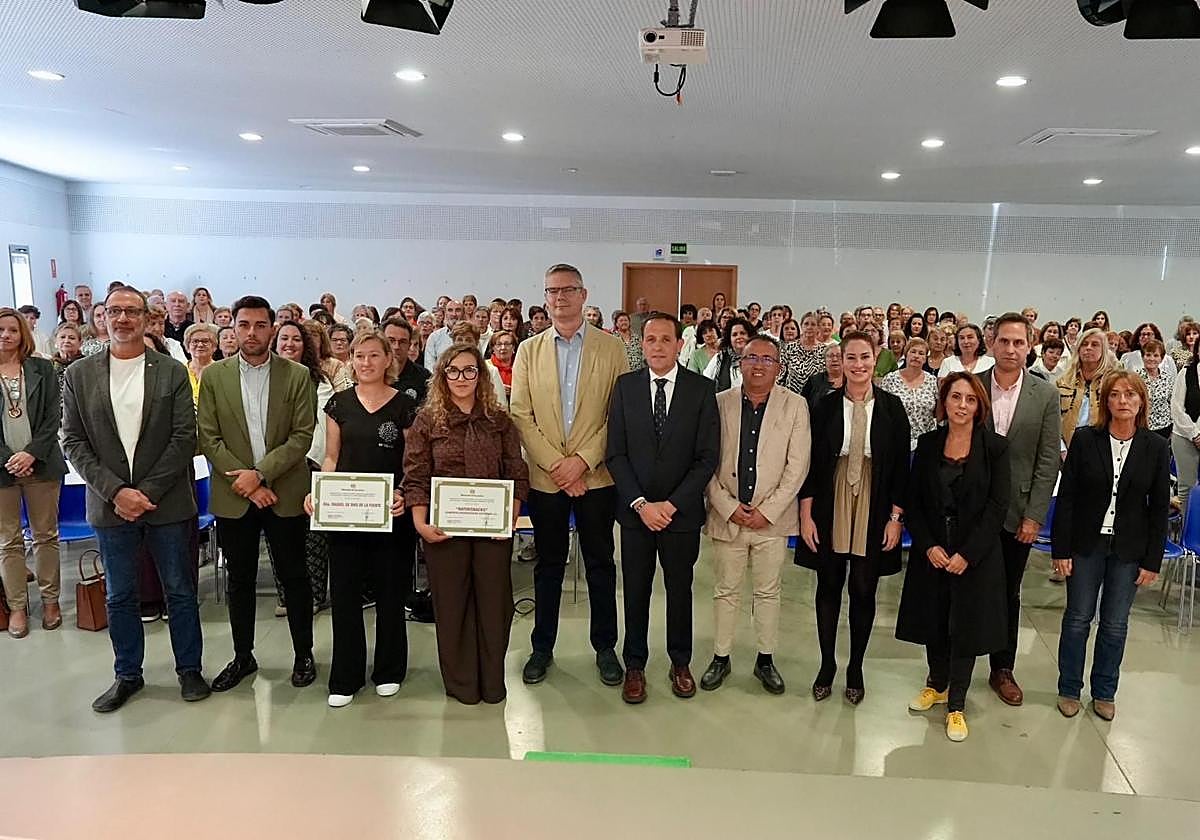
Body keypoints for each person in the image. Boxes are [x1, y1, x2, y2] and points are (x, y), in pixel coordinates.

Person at [61, 287, 209, 711]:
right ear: (102, 318)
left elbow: (185, 437)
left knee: (179, 590)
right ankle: (127, 674)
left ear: (146, 318)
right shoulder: (80, 375)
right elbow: (73, 441)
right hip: (110, 507)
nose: (123, 319)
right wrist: (116, 492)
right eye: (115, 312)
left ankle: (189, 669)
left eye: (131, 311)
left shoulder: (172, 372)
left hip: (166, 502)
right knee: (119, 596)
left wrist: (144, 492)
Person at [510, 264, 629, 687]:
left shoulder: (611, 348)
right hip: (546, 479)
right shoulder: (529, 350)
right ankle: (542, 647)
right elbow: (521, 415)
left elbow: (618, 415)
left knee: (600, 564)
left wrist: (581, 462)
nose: (558, 297)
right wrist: (558, 467)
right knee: (549, 566)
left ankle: (605, 648)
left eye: (567, 290)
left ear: (584, 294)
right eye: (551, 291)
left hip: (596, 478)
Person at [197, 295, 318, 693]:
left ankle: (303, 654)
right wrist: (246, 484)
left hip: (283, 493)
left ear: (272, 327)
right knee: (240, 580)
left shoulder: (298, 375)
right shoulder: (214, 376)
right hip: (235, 497)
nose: (252, 333)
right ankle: (243, 656)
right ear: (231, 327)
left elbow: (302, 436)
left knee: (294, 577)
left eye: (260, 325)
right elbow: (208, 437)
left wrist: (260, 476)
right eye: (244, 325)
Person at [404, 343, 528, 704]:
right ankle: (461, 684)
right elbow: (415, 475)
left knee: (494, 605)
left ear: (481, 375)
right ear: (442, 376)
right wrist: (420, 524)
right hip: (444, 531)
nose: (462, 378)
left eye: (469, 370)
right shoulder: (427, 421)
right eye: (453, 371)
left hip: (493, 529)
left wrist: (511, 514)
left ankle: (492, 681)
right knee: (453, 605)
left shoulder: (499, 420)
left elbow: (516, 470)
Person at [605, 314, 720, 703]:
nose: (657, 346)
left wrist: (670, 505)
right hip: (636, 515)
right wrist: (640, 504)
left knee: (679, 590)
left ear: (678, 345)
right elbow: (615, 454)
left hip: (680, 514)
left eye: (664, 339)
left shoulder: (701, 390)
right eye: (650, 339)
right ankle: (634, 665)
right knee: (635, 591)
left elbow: (706, 458)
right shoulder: (624, 388)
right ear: (642, 344)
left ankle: (680, 661)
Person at [303, 333, 419, 707]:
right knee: (347, 594)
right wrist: (319, 493)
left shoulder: (405, 406)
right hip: (346, 514)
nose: (365, 362)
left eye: (373, 355)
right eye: (358, 355)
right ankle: (346, 675)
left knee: (390, 592)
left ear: (389, 359)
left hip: (390, 514)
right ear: (350, 360)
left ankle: (389, 669)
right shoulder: (338, 405)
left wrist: (402, 492)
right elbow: (332, 458)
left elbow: (412, 462)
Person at [796, 331, 909, 705]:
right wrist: (806, 512)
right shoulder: (824, 407)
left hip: (875, 501)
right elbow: (810, 464)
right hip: (832, 498)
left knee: (863, 587)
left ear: (875, 360)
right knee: (828, 585)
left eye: (865, 357)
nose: (858, 365)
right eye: (851, 358)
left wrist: (896, 516)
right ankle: (827, 664)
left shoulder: (893, 409)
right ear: (840, 362)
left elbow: (900, 471)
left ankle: (855, 667)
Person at [896, 372, 1010, 742]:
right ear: (943, 402)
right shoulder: (928, 444)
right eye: (955, 397)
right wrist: (928, 544)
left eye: (970, 400)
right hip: (934, 549)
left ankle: (957, 703)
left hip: (973, 552)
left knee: (964, 625)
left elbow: (997, 506)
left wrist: (968, 553)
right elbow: (914, 500)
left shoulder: (994, 448)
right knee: (934, 618)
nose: (962, 405)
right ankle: (938, 683)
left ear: (979, 407)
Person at [1053, 371, 1170, 722]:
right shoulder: (1086, 440)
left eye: (1130, 395)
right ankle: (1069, 688)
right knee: (1077, 620)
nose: (1123, 401)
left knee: (1115, 624)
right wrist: (1061, 551)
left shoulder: (1155, 447)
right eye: (1115, 395)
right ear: (1105, 401)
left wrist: (1153, 559)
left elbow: (1160, 507)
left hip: (1129, 549)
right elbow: (1068, 499)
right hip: (1085, 544)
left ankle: (1104, 691)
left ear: (1141, 402)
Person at [700, 335, 810, 695]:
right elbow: (705, 461)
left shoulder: (795, 406)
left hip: (771, 519)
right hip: (726, 514)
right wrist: (728, 507)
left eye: (767, 359)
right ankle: (721, 656)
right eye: (751, 358)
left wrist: (768, 510)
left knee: (767, 591)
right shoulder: (718, 404)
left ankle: (765, 658)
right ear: (739, 363)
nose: (758, 365)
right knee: (725, 590)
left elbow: (798, 466)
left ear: (778, 367)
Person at [975, 313, 1061, 700]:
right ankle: (948, 666)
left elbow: (1047, 460)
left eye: (1019, 343)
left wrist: (1034, 516)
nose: (1011, 349)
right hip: (973, 510)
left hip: (1018, 513)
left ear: (1030, 347)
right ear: (992, 343)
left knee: (1008, 591)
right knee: (962, 588)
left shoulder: (1045, 395)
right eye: (1004, 341)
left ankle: (1002, 668)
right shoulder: (970, 386)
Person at [0, 309, 67, 639]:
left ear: (23, 334)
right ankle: (16, 607)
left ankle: (51, 601)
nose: (6, 335)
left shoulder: (42, 368)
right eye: (0, 329)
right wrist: (9, 458)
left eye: (13, 329)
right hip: (2, 470)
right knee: (8, 542)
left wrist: (30, 453)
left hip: (41, 464)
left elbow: (53, 416)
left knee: (45, 536)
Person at [1058, 327, 1120, 449]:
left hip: (1104, 448)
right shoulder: (1062, 382)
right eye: (1084, 344)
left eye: (1095, 345)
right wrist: (1062, 450)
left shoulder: (1114, 383)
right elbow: (1052, 421)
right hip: (1068, 448)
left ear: (1104, 350)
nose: (1088, 348)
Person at [880, 338, 938, 450]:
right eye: (913, 352)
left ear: (925, 359)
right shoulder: (890, 379)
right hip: (896, 441)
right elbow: (882, 411)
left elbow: (938, 412)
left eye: (921, 353)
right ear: (906, 355)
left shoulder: (932, 381)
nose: (916, 356)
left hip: (925, 442)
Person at [1170, 332, 1200, 523]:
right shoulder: (1185, 373)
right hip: (1184, 436)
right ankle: (1186, 537)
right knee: (1186, 487)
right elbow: (1177, 407)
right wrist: (1195, 434)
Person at [381, 317, 431, 406]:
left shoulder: (424, 378)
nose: (396, 346)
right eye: (391, 341)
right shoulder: (372, 374)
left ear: (409, 344)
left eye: (402, 342)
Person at [778, 312, 826, 393]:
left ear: (818, 327)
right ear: (801, 326)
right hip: (791, 396)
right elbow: (780, 375)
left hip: (815, 397)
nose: (809, 327)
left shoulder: (825, 350)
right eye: (806, 324)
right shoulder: (790, 347)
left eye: (813, 324)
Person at [704, 317, 754, 391]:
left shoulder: (758, 357)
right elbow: (706, 381)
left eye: (742, 333)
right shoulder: (720, 357)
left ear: (749, 336)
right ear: (729, 339)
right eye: (734, 334)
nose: (739, 337)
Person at [1137, 339, 1173, 440]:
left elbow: (1172, 403)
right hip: (1142, 427)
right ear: (1143, 357)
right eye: (1148, 355)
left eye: (1156, 355)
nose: (1151, 359)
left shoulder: (1168, 378)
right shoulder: (1135, 378)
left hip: (1165, 428)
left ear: (1161, 359)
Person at [801, 343, 844, 410]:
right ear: (824, 360)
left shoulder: (851, 380)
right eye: (830, 356)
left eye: (839, 356)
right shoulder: (814, 380)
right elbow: (802, 405)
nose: (835, 359)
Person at [183, 323, 218, 405]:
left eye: (205, 341)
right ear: (188, 347)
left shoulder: (220, 371)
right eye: (195, 341)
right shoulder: (180, 371)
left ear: (214, 347)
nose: (200, 345)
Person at [424, 299, 463, 369]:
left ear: (463, 313)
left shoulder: (471, 335)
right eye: (450, 310)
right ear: (445, 314)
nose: (454, 314)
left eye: (458, 310)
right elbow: (429, 366)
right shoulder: (434, 337)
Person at [488, 330, 517, 398]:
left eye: (507, 344)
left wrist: (514, 391)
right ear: (493, 348)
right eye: (499, 344)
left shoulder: (520, 366)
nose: (503, 348)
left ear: (513, 347)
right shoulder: (486, 366)